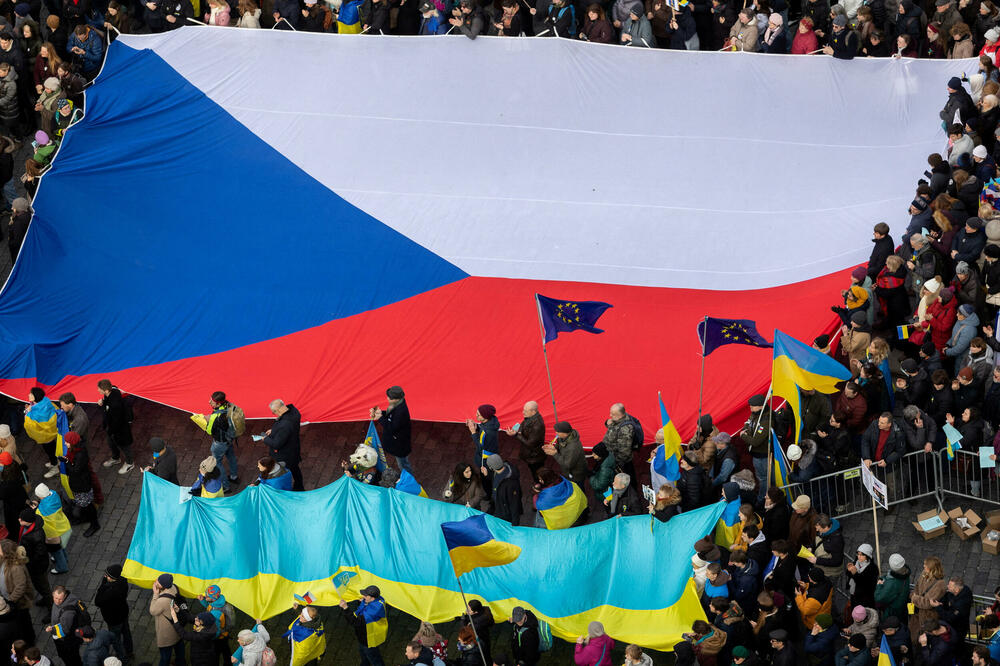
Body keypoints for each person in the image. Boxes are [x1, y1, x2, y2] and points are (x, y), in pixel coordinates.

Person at [199, 391, 238, 492]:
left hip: (219, 443)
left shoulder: (215, 416)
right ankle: (234, 476)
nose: (209, 402)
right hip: (229, 438)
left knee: (217, 463)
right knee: (231, 456)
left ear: (219, 403)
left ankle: (226, 486)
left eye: (212, 401)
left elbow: (209, 431)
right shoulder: (229, 406)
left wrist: (207, 421)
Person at [259, 400, 302, 491]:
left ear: (278, 411)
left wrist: (265, 439)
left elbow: (276, 444)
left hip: (285, 455)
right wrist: (274, 430)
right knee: (295, 469)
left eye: (273, 412)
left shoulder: (284, 425)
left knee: (283, 473)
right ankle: (299, 487)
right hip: (294, 449)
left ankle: (289, 489)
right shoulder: (294, 412)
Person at [339, 585, 387, 666]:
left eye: (365, 595)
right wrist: (363, 602)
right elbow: (366, 608)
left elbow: (355, 622)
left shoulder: (370, 614)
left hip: (368, 639)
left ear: (372, 598)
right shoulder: (379, 599)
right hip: (366, 637)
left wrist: (345, 608)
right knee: (365, 655)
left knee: (374, 659)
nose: (363, 596)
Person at [96, 379, 134, 475]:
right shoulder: (112, 391)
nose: (98, 391)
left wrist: (111, 431)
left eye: (99, 389)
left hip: (119, 429)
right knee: (111, 442)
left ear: (106, 390)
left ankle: (130, 463)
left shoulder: (115, 405)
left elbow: (116, 420)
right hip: (111, 428)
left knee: (124, 446)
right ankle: (116, 458)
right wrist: (103, 402)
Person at [94, 565, 131, 661]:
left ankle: (122, 658)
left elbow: (97, 601)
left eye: (107, 575)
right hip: (123, 613)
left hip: (114, 619)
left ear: (113, 578)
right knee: (126, 632)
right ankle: (129, 650)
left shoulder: (110, 592)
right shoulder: (123, 580)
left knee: (116, 639)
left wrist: (103, 585)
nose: (105, 576)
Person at [371, 386, 412, 474]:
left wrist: (380, 418)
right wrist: (381, 413)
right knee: (402, 462)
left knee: (403, 464)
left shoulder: (401, 412)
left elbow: (392, 427)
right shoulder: (398, 405)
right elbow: (391, 416)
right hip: (398, 442)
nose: (387, 398)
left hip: (400, 445)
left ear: (396, 399)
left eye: (389, 397)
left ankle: (408, 479)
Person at [149, 574, 185, 666]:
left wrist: (155, 594)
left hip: (167, 633)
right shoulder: (174, 587)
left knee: (165, 656)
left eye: (158, 582)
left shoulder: (163, 600)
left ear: (163, 586)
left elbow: (153, 611)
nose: (155, 582)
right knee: (179, 647)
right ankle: (180, 663)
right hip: (176, 626)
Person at [17, 508, 50, 604]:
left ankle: (50, 607)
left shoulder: (36, 535)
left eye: (21, 519)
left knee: (44, 587)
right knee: (37, 584)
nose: (19, 519)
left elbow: (40, 554)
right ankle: (45, 598)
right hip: (31, 564)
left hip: (37, 566)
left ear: (28, 521)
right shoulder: (27, 527)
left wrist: (28, 562)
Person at [909, 556, 947, 640]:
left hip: (928, 616)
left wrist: (914, 598)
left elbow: (928, 604)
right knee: (914, 635)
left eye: (925, 565)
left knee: (926, 637)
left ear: (932, 569)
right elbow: (917, 587)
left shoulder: (940, 585)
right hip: (917, 613)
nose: (923, 566)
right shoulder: (924, 573)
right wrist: (914, 595)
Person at [505, 401, 544, 482]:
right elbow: (524, 424)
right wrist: (517, 431)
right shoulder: (531, 418)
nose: (523, 412)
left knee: (537, 471)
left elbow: (530, 444)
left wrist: (516, 435)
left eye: (525, 411)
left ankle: (539, 483)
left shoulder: (537, 426)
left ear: (533, 412)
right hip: (530, 454)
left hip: (534, 456)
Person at [46, 586, 83, 666]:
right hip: (71, 636)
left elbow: (64, 630)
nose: (57, 601)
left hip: (67, 640)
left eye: (60, 599)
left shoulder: (67, 614)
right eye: (55, 598)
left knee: (70, 658)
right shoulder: (68, 600)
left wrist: (52, 630)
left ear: (65, 596)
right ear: (52, 594)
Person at [544, 421, 587, 488]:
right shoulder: (562, 438)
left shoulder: (573, 447)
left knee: (578, 489)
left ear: (565, 433)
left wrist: (555, 454)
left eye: (558, 431)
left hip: (575, 474)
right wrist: (553, 448)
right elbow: (559, 446)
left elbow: (568, 465)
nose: (556, 433)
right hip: (568, 472)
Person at [482, 454, 522, 526]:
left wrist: (515, 525)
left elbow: (514, 504)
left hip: (505, 513)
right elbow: (495, 482)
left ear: (491, 468)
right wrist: (487, 475)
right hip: (496, 505)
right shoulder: (496, 472)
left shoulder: (511, 483)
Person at [875, 553, 910, 621]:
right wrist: (883, 578)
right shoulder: (905, 571)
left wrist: (879, 585)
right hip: (902, 603)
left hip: (893, 610)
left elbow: (878, 598)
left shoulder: (892, 583)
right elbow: (889, 577)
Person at [845, 544, 878, 609]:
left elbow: (864, 584)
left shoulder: (872, 569)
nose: (859, 557)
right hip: (854, 594)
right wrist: (849, 570)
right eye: (858, 554)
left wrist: (855, 574)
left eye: (862, 555)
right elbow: (849, 575)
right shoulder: (856, 562)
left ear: (868, 556)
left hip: (864, 598)